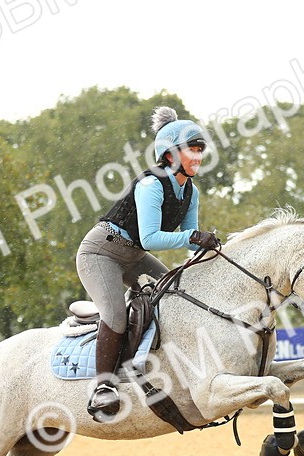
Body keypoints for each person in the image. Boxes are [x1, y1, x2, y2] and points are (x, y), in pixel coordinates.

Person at [76, 106, 222, 420]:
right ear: (169, 154)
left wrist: (206, 255)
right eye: (191, 150)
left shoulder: (190, 191)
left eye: (200, 150)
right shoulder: (151, 185)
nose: (197, 157)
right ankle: (103, 386)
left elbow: (187, 238)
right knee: (115, 313)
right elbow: (152, 238)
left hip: (134, 256)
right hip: (101, 254)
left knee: (178, 292)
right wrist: (195, 237)